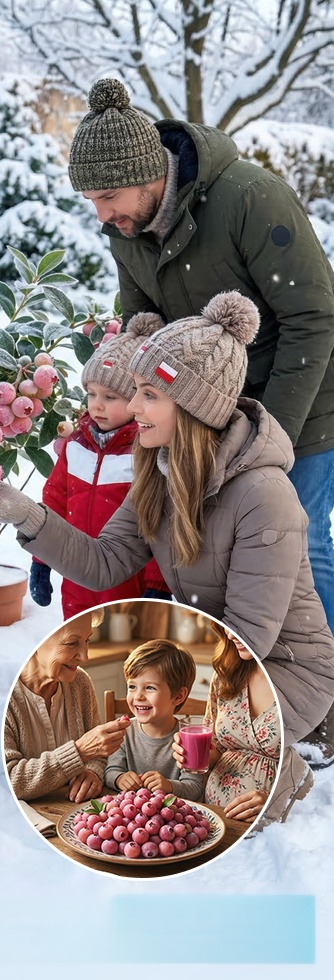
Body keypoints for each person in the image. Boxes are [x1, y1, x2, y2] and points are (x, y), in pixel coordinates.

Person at [0, 290, 334, 823]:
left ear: (192, 406)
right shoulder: (159, 470)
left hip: (280, 668)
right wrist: (23, 514)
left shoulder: (263, 495)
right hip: (213, 659)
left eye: (149, 395)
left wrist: (154, 700)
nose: (132, 408)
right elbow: (103, 561)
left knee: (180, 775)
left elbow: (249, 639)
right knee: (116, 735)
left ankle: (275, 772)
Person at [66, 77, 334, 675]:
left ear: (149, 176)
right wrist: (119, 395)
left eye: (109, 197)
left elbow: (312, 319)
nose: (102, 215)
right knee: (222, 552)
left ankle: (322, 694)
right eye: (93, 202)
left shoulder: (249, 198)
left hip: (303, 402)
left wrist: (275, 440)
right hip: (203, 408)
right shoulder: (127, 231)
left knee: (301, 550)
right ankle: (238, 685)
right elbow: (143, 328)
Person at [30, 313, 171, 616]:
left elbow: (161, 523)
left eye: (111, 396)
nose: (97, 404)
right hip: (77, 575)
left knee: (127, 653)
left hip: (127, 584)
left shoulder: (147, 452)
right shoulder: (76, 445)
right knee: (79, 642)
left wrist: (158, 586)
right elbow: (54, 500)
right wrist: (41, 560)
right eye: (92, 394)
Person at [4, 610, 129, 802]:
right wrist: (80, 751)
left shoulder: (80, 683)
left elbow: (98, 756)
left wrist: (93, 773)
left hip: (71, 811)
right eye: (72, 643)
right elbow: (10, 779)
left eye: (87, 640)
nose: (85, 656)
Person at [173, 624, 281, 824]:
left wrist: (278, 803)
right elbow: (217, 751)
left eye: (239, 624)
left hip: (274, 827)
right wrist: (192, 754)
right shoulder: (225, 675)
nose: (230, 634)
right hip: (214, 818)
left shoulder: (304, 682)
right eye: (226, 625)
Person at [104, 639, 204, 801]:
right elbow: (110, 771)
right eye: (132, 686)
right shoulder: (124, 732)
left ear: (178, 696)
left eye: (150, 687)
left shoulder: (187, 739)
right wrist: (119, 779)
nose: (138, 696)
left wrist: (169, 786)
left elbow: (195, 788)